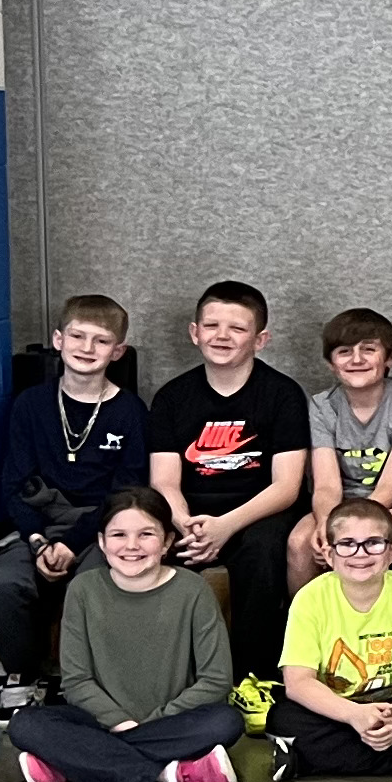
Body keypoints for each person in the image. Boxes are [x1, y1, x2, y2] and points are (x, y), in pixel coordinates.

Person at [9, 490, 246, 782]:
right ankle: (170, 773)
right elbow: (78, 680)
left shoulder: (193, 589)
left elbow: (215, 680)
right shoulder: (83, 589)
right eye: (118, 534)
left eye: (146, 534)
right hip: (100, 722)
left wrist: (153, 723)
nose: (131, 546)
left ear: (167, 541)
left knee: (225, 722)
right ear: (101, 542)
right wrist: (120, 722)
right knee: (25, 724)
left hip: (172, 723)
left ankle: (74, 764)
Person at [0, 292, 150, 683]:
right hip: (36, 525)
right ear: (58, 340)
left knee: (93, 587)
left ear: (118, 351)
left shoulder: (131, 412)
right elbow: (14, 484)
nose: (87, 348)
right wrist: (38, 542)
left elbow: (127, 496)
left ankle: (83, 682)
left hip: (101, 525)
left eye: (101, 341)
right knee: (3, 585)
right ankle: (22, 676)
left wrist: (72, 544)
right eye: (77, 336)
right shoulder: (30, 404)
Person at [150, 279, 312, 689]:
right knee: (149, 545)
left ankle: (252, 677)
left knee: (261, 553)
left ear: (261, 340)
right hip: (190, 512)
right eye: (212, 326)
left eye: (237, 328)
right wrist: (185, 523)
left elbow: (287, 487)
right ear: (194, 332)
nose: (222, 336)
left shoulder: (283, 395)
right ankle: (167, 680)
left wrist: (226, 526)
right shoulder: (172, 397)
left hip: (260, 510)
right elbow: (164, 481)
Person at [271, 494, 392, 782]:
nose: (360, 554)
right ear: (329, 555)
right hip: (336, 708)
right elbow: (298, 683)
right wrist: (352, 715)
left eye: (373, 543)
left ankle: (310, 759)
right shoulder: (309, 599)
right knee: (282, 717)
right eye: (347, 544)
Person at [294, 307, 392, 598]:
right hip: (338, 504)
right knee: (300, 543)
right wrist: (328, 523)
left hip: (391, 504)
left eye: (369, 350)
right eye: (345, 351)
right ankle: (303, 625)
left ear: (389, 358)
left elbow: (391, 484)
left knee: (370, 539)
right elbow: (325, 485)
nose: (357, 359)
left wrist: (347, 531)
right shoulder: (322, 406)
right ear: (330, 363)